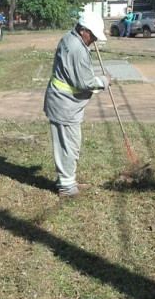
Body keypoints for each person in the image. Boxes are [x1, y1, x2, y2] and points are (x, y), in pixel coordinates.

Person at [43, 12, 110, 199]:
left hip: (64, 103)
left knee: (69, 144)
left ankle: (68, 180)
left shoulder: (70, 38)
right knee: (68, 146)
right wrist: (104, 81)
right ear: (83, 30)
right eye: (93, 35)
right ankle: (66, 188)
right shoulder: (77, 49)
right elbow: (85, 83)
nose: (95, 39)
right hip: (64, 105)